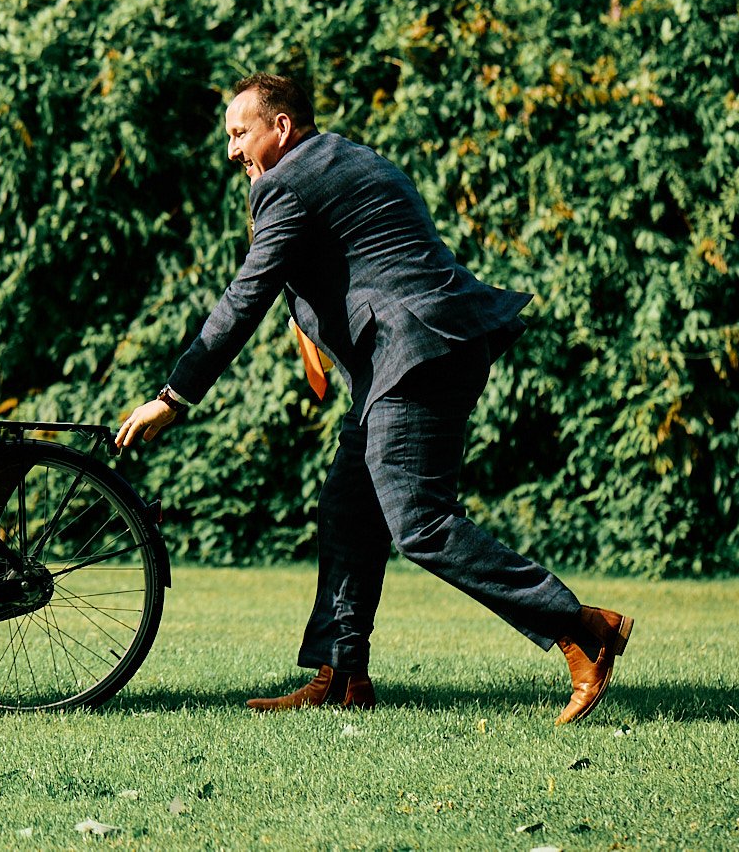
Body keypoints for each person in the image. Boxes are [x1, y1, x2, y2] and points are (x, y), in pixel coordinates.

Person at [116, 73, 633, 725]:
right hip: (427, 345)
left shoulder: (287, 181)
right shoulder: (349, 157)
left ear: (281, 127)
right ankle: (342, 673)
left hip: (413, 353)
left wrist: (174, 395)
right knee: (349, 507)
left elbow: (245, 296)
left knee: (419, 523)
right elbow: (350, 259)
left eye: (239, 132)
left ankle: (583, 629)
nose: (230, 151)